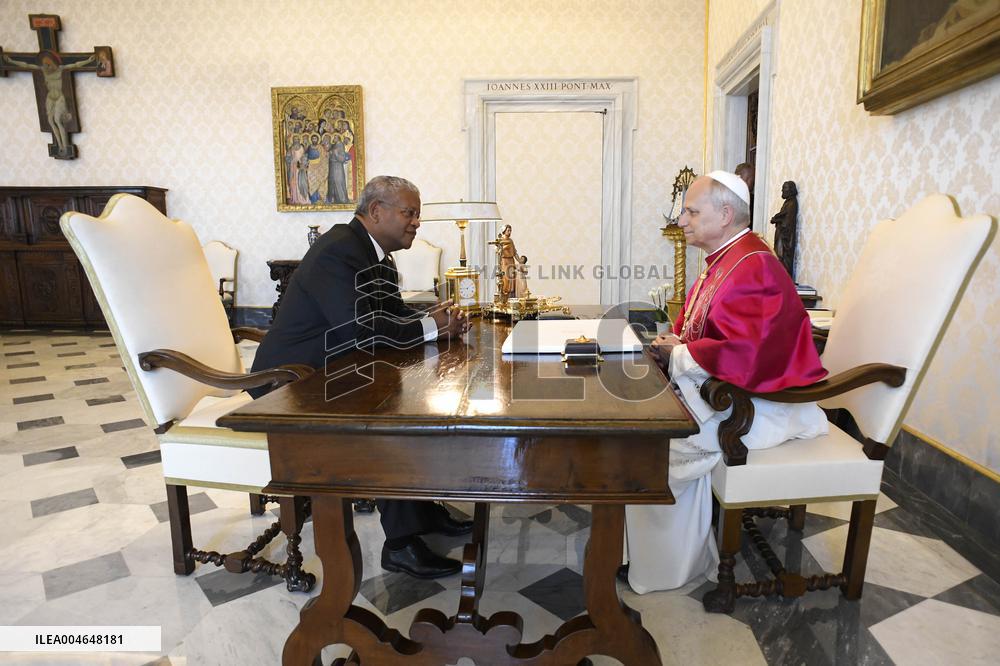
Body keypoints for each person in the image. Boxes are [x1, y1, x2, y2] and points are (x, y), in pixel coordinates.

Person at [251, 176, 473, 579]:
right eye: (410, 213)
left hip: (330, 367)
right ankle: (402, 545)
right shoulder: (340, 251)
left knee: (412, 394)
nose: (416, 223)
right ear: (376, 212)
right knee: (391, 410)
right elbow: (362, 329)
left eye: (417, 214)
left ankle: (421, 512)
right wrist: (430, 328)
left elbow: (391, 313)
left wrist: (433, 319)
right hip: (288, 382)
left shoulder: (373, 253)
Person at [624, 171, 828, 594]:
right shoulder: (727, 259)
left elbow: (746, 354)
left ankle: (670, 568)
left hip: (763, 406)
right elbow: (706, 333)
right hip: (729, 393)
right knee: (642, 425)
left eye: (692, 211)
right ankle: (655, 555)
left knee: (655, 444)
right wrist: (676, 342)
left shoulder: (754, 266)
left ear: (726, 213)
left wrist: (678, 352)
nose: (681, 220)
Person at [2, 50, 96, 157]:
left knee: (58, 120)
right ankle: (60, 146)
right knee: (51, 122)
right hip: (50, 99)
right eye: (44, 64)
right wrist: (10, 61)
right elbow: (26, 65)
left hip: (60, 98)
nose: (46, 66)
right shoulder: (43, 70)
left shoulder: (60, 69)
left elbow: (75, 64)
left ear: (53, 62)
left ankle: (65, 146)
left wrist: (88, 60)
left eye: (48, 64)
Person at [770, 180, 799, 279]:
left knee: (782, 259)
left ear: (791, 190)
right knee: (778, 258)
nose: (782, 190)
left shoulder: (792, 203)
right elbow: (783, 215)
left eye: (784, 188)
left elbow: (787, 220)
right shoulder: (788, 202)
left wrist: (776, 219)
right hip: (781, 236)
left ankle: (783, 279)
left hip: (785, 238)